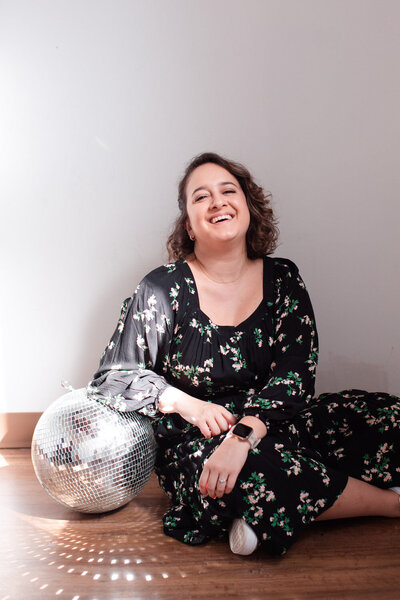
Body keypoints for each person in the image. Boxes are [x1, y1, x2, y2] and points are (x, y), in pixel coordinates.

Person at [89, 152, 400, 556]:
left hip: (274, 421)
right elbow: (113, 376)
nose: (217, 201)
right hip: (199, 440)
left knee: (388, 419)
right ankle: (389, 503)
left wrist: (244, 434)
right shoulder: (161, 289)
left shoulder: (284, 278)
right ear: (189, 225)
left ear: (248, 208)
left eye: (228, 191)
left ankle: (264, 515)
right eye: (201, 197)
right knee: (249, 476)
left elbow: (296, 374)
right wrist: (188, 405)